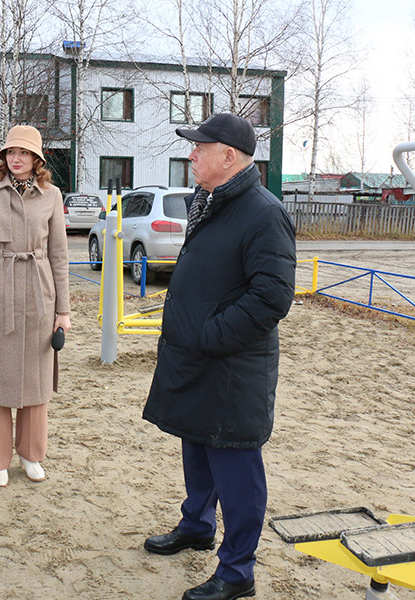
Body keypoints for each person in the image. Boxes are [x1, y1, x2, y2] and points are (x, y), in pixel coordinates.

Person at [141, 113, 296, 600]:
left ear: (228, 156)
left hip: (231, 365)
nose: (191, 155)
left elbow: (272, 296)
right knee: (197, 443)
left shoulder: (262, 211)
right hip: (197, 358)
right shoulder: (211, 202)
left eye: (198, 148)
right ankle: (197, 525)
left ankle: (237, 571)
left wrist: (210, 334)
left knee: (235, 463)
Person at [0, 125, 71, 488]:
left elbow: (59, 255)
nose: (16, 159)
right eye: (11, 152)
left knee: (36, 382)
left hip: (39, 293)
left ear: (37, 158)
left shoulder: (52, 195)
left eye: (24, 153)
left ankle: (31, 455)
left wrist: (63, 310)